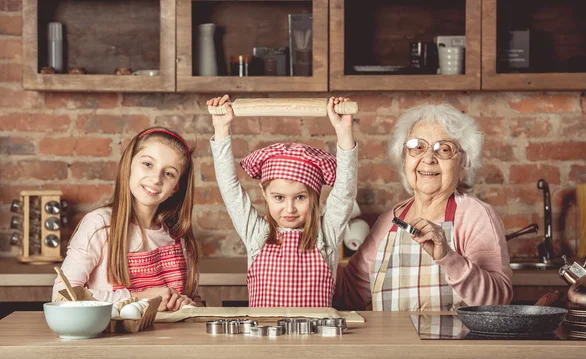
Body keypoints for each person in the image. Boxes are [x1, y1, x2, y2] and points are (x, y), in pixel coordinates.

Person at [334, 103, 512, 311]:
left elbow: (497, 302)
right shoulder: (388, 221)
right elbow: (349, 295)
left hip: (454, 343)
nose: (428, 159)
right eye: (417, 147)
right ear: (404, 160)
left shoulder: (475, 216)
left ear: (463, 165)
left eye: (444, 149)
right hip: (392, 344)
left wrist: (448, 258)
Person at [208, 94, 357, 307]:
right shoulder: (256, 234)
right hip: (264, 339)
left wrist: (344, 130)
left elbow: (345, 191)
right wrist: (221, 129)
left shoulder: (326, 235)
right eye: (279, 197)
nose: (289, 208)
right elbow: (229, 188)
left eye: (300, 197)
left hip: (317, 341)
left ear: (314, 196)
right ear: (264, 193)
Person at [52, 127, 199, 311]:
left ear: (175, 188)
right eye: (147, 164)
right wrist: (139, 298)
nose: (155, 179)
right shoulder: (99, 225)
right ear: (128, 164)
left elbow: (192, 299)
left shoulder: (177, 235)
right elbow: (62, 296)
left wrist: (187, 304)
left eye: (169, 173)